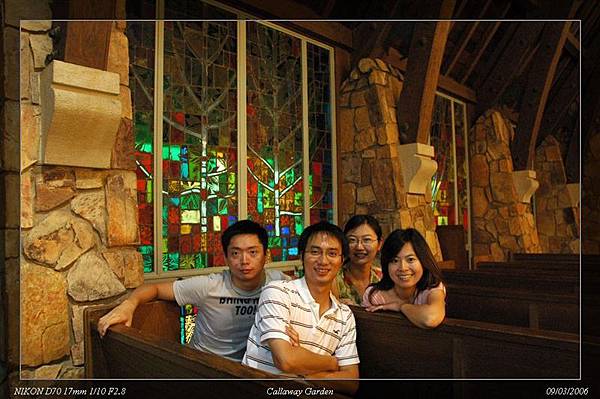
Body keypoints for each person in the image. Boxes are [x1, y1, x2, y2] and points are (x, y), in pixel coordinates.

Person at [97, 220, 289, 361]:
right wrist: (128, 305)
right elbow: (154, 288)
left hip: (251, 368)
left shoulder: (279, 283)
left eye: (253, 252)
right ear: (226, 258)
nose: (244, 261)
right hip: (204, 365)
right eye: (236, 253)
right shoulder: (209, 286)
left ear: (266, 255)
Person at [242, 221, 359, 394]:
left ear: (342, 261)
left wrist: (306, 376)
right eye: (315, 252)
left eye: (332, 253)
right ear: (302, 256)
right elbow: (286, 360)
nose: (323, 260)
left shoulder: (345, 316)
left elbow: (351, 381)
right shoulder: (278, 292)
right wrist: (331, 363)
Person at [362, 228, 446, 329]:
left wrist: (401, 306)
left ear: (423, 261)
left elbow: (430, 319)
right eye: (394, 260)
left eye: (410, 259)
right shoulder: (375, 295)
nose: (402, 268)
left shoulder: (432, 288)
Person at [333, 215, 383, 305]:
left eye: (367, 240)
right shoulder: (333, 278)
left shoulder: (383, 279)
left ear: (379, 244)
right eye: (352, 240)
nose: (359, 247)